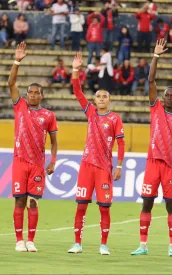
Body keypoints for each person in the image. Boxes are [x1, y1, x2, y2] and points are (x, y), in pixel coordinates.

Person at [130, 39, 172, 257]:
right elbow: (151, 80)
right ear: (163, 98)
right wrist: (155, 56)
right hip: (152, 164)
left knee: (170, 205)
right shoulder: (155, 108)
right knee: (147, 203)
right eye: (167, 96)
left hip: (170, 167)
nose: (169, 98)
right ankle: (142, 245)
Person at [68, 52, 125, 255]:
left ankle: (103, 244)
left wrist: (118, 166)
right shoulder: (90, 112)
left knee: (104, 208)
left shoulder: (115, 119)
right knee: (81, 206)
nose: (101, 99)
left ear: (109, 100)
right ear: (94, 100)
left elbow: (121, 144)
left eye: (104, 96)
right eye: (98, 96)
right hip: (86, 166)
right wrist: (75, 69)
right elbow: (77, 90)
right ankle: (77, 243)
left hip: (104, 168)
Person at [7, 42, 58, 253]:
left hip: (38, 164)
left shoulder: (49, 116)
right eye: (30, 92)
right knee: (19, 201)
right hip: (20, 161)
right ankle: (19, 240)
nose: (33, 95)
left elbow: (54, 142)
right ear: (26, 95)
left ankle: (31, 240)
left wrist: (53, 161)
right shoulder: (19, 106)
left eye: (37, 92)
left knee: (33, 202)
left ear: (42, 95)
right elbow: (11, 84)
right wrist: (17, 61)